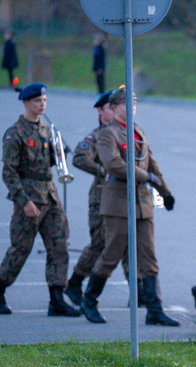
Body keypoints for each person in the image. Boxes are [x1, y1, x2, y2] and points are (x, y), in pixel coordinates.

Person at [79, 87, 179, 326]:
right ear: (113, 108)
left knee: (148, 256)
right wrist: (147, 177)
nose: (131, 109)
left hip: (143, 203)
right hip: (119, 202)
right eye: (126, 105)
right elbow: (113, 165)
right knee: (112, 253)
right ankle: (89, 301)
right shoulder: (108, 134)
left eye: (134, 104)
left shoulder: (138, 131)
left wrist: (165, 192)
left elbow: (152, 164)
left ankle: (154, 309)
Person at [0, 83, 80, 318]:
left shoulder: (46, 130)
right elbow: (9, 172)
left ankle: (56, 298)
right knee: (21, 248)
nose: (42, 104)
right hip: (29, 197)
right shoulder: (15, 133)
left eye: (44, 100)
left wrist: (58, 156)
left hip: (50, 194)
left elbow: (45, 163)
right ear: (26, 102)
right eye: (38, 100)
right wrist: (23, 201)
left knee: (60, 245)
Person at [67, 90, 135, 307]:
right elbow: (79, 158)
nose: (115, 111)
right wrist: (102, 170)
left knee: (128, 244)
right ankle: (76, 282)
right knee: (101, 244)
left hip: (124, 196)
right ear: (101, 111)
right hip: (102, 197)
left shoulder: (126, 133)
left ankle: (139, 292)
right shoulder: (96, 136)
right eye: (110, 108)